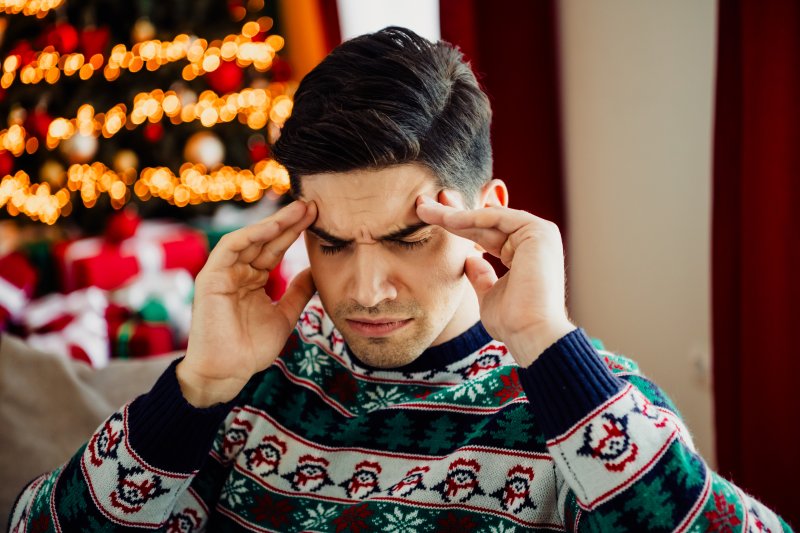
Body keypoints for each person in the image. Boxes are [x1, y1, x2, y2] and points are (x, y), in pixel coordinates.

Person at [8, 27, 792, 532]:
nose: (366, 288)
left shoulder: (588, 409)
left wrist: (550, 351)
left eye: (409, 236)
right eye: (332, 242)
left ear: (487, 216)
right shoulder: (237, 391)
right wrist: (195, 388)